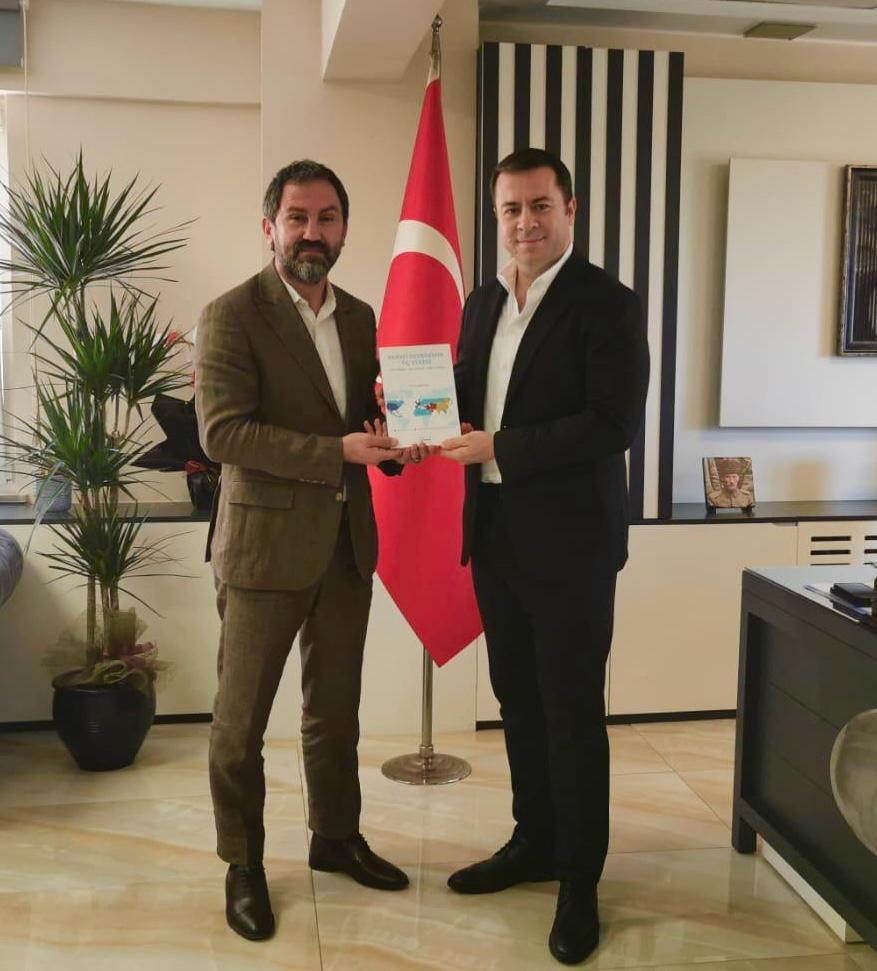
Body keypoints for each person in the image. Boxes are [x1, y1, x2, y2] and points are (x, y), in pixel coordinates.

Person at [195, 159, 424, 942]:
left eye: (326, 218)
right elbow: (223, 433)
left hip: (345, 545)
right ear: (270, 227)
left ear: (344, 229)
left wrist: (395, 444)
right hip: (262, 550)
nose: (311, 232)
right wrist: (338, 452)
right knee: (240, 722)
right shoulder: (232, 314)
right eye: (297, 217)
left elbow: (362, 421)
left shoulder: (359, 317)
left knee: (334, 711)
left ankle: (334, 835)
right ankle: (243, 862)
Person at [440, 147, 650, 966]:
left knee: (570, 711)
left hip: (571, 544)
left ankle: (578, 879)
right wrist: (413, 416)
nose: (524, 222)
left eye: (538, 206)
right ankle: (532, 840)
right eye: (510, 209)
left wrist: (500, 445)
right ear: (496, 216)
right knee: (517, 702)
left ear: (569, 210)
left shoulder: (608, 304)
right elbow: (466, 393)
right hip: (494, 533)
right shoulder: (483, 300)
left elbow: (610, 423)